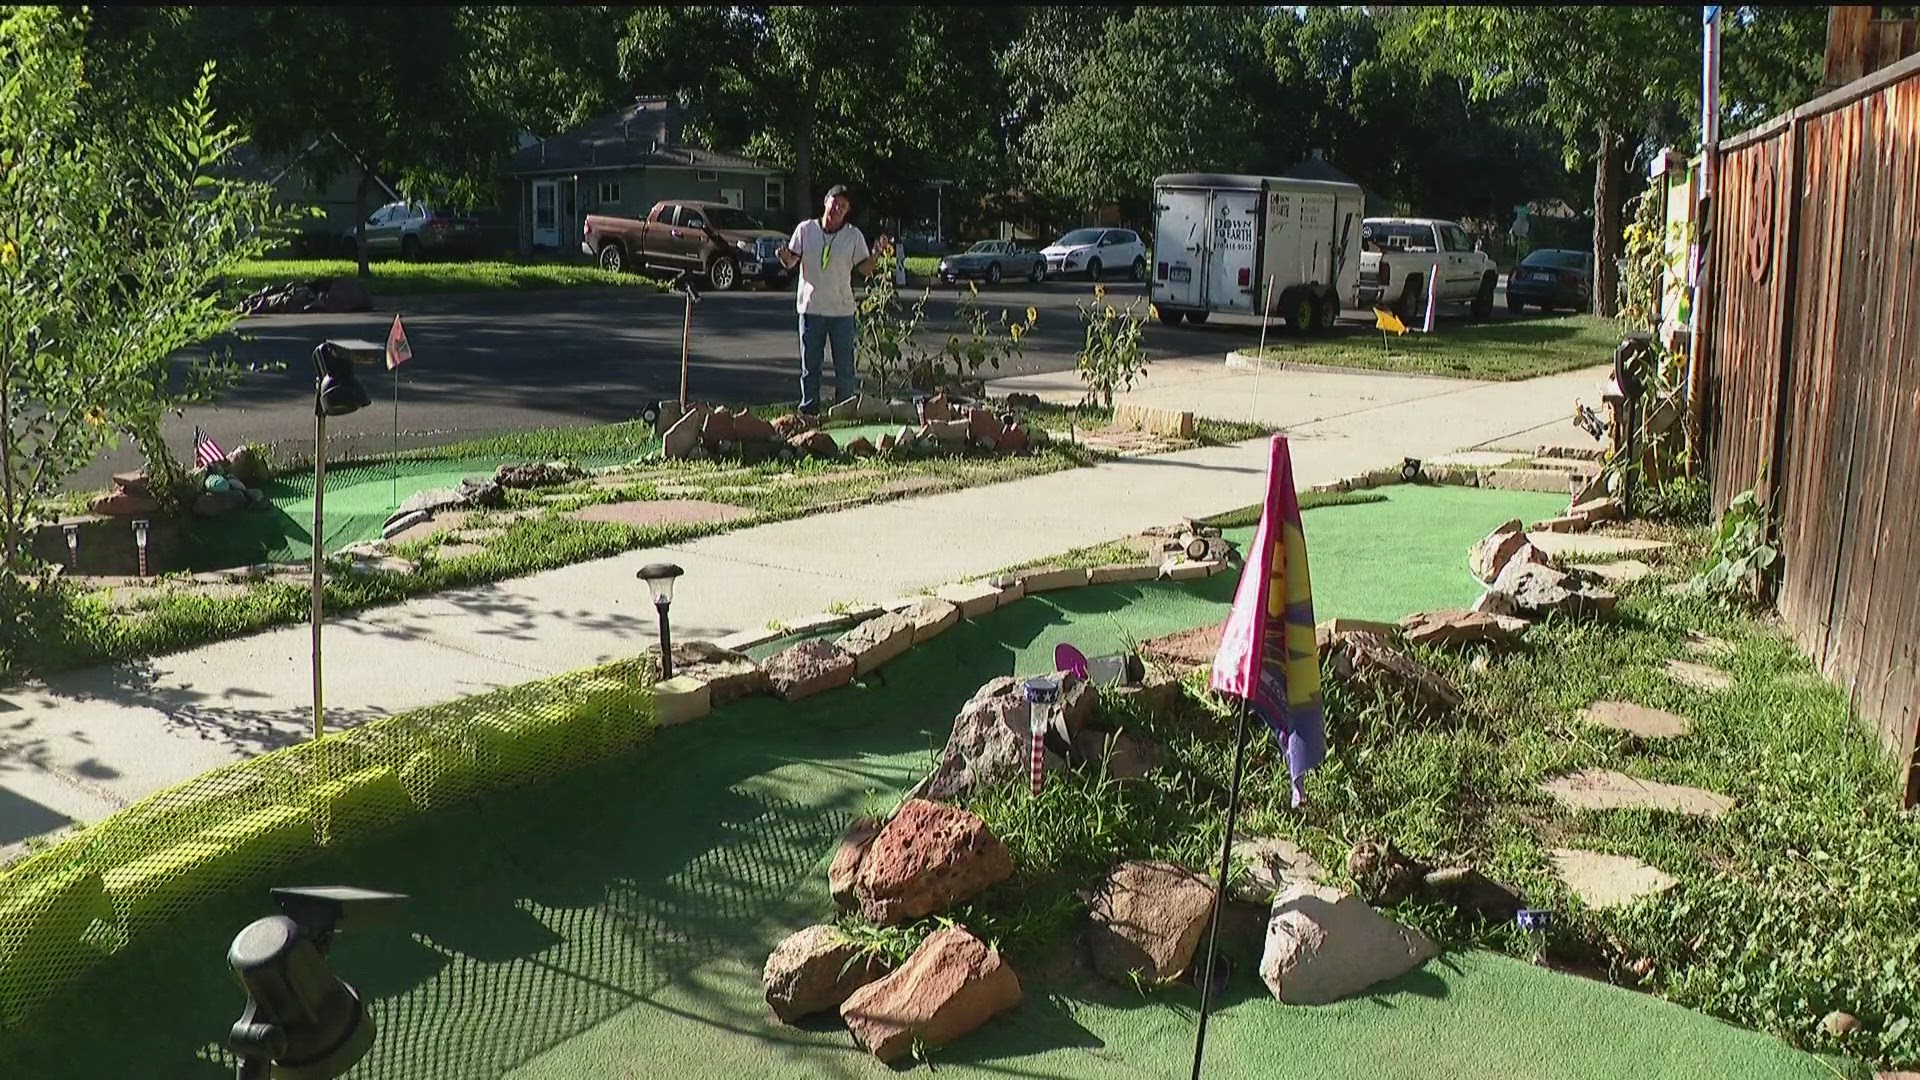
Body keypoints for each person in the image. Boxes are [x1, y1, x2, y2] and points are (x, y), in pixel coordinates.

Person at [777, 185, 892, 415]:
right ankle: (809, 412)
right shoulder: (806, 230)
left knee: (845, 369)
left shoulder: (852, 235)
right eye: (834, 202)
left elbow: (866, 269)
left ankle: (844, 411)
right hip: (811, 310)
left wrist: (877, 253)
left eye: (843, 206)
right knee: (810, 367)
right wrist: (783, 256)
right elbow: (790, 262)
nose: (837, 209)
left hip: (842, 312)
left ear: (847, 211)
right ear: (825, 201)